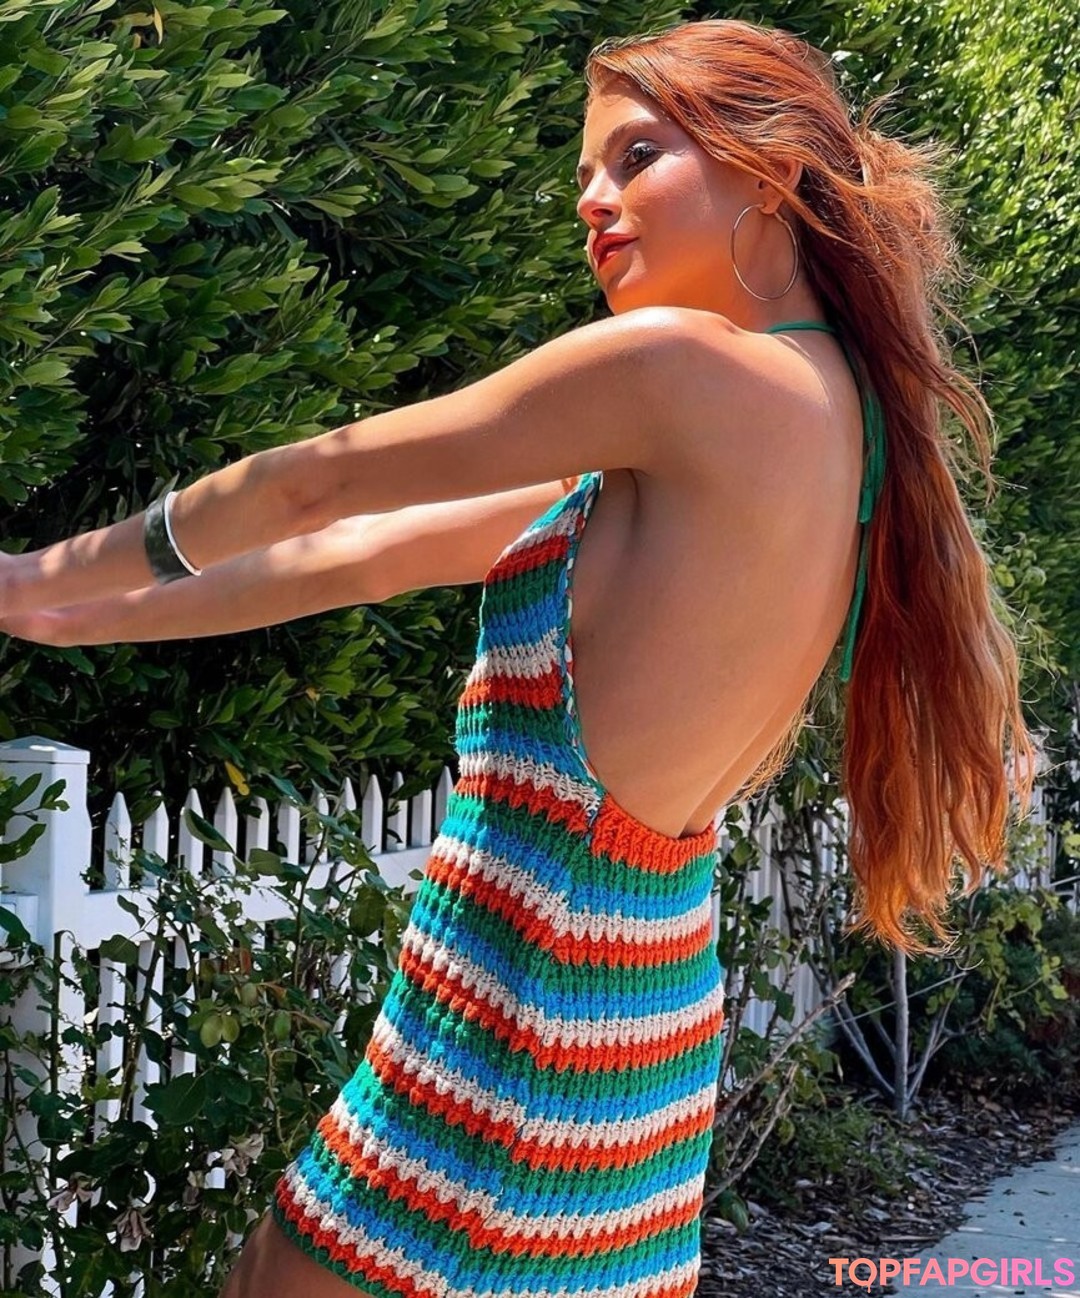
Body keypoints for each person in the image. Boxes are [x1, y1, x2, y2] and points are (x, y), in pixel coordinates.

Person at [0, 17, 1036, 1298]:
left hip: (507, 1032)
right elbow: (360, 556)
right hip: (638, 1055)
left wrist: (36, 575)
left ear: (769, 170)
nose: (594, 200)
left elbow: (317, 484)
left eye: (636, 156)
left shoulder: (682, 372)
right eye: (585, 174)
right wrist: (66, 619)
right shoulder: (841, 435)